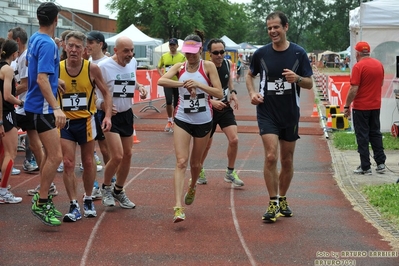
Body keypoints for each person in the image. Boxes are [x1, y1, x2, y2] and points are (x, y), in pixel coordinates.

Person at [245, 11, 313, 223]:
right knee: (271, 156)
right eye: (269, 28)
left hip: (290, 113)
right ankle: (273, 202)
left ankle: (282, 197)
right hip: (267, 113)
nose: (272, 31)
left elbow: (309, 83)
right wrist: (252, 93)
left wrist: (298, 78)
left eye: (276, 27)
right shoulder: (261, 54)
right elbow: (250, 74)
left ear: (286, 27)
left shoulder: (298, 53)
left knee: (287, 159)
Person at [157, 30, 223, 223]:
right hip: (183, 118)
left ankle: (193, 184)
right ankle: (178, 207)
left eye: (193, 52)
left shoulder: (208, 66)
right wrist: (182, 84)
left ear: (200, 50)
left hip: (203, 120)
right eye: (187, 52)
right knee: (181, 161)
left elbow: (218, 93)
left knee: (196, 164)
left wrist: (199, 85)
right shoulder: (179, 66)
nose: (190, 55)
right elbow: (162, 80)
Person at [59, 31, 112, 222]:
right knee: (68, 163)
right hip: (65, 122)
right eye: (70, 46)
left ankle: (88, 198)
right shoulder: (57, 68)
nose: (74, 50)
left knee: (88, 162)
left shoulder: (92, 68)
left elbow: (106, 93)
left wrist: (107, 116)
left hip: (87, 121)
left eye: (77, 46)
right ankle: (73, 204)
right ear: (65, 47)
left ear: (84, 49)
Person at [27, 2, 66, 226]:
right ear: (55, 20)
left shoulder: (34, 38)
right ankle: (41, 201)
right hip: (42, 106)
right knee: (56, 156)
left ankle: (42, 197)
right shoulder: (48, 44)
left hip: (34, 103)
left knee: (48, 155)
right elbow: (41, 79)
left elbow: (37, 72)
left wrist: (55, 79)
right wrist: (56, 107)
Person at [97, 36, 147, 209]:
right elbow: (93, 92)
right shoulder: (103, 67)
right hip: (109, 116)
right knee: (117, 155)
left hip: (126, 114)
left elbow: (129, 81)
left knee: (128, 155)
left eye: (132, 50)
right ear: (116, 50)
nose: (130, 54)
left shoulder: (131, 63)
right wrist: (102, 105)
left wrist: (139, 87)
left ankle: (119, 190)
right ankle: (106, 188)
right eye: (126, 51)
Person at [197, 38, 244, 187]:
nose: (219, 55)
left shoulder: (227, 63)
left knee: (234, 139)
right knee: (206, 145)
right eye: (216, 52)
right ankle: (199, 169)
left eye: (222, 52)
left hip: (224, 107)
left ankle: (230, 172)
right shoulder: (204, 68)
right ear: (209, 54)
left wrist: (233, 92)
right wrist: (211, 101)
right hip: (207, 108)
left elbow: (229, 79)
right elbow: (197, 92)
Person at [343, 41, 386, 175]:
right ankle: (380, 163)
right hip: (375, 105)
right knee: (375, 133)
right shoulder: (379, 64)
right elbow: (381, 83)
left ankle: (365, 166)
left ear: (357, 53)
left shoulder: (358, 66)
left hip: (361, 107)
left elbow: (354, 88)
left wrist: (346, 105)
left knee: (362, 136)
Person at [85, 30, 115, 199]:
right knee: (89, 151)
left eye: (91, 42)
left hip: (103, 111)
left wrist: (108, 107)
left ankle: (109, 182)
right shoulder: (87, 62)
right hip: (90, 110)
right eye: (87, 42)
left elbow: (110, 89)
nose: (87, 45)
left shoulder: (108, 63)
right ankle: (95, 185)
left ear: (100, 44)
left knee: (106, 150)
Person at [7, 27, 41, 174]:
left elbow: (26, 85)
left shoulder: (26, 57)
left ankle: (23, 162)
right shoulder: (16, 60)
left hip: (26, 105)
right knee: (34, 143)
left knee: (9, 136)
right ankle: (45, 178)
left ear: (17, 40)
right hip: (21, 105)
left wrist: (8, 95)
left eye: (9, 38)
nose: (7, 41)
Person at [0, 39, 23, 204]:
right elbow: (7, 96)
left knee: (3, 153)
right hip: (6, 113)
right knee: (11, 153)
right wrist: (21, 102)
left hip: (3, 114)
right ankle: (2, 190)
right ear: (14, 53)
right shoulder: (7, 69)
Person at [157, 38, 186, 133]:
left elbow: (186, 67)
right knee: (168, 101)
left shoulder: (182, 57)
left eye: (174, 45)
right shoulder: (164, 56)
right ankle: (169, 120)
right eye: (170, 45)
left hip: (177, 84)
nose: (172, 46)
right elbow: (158, 67)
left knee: (177, 103)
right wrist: (162, 76)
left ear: (177, 46)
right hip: (168, 83)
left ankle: (177, 121)